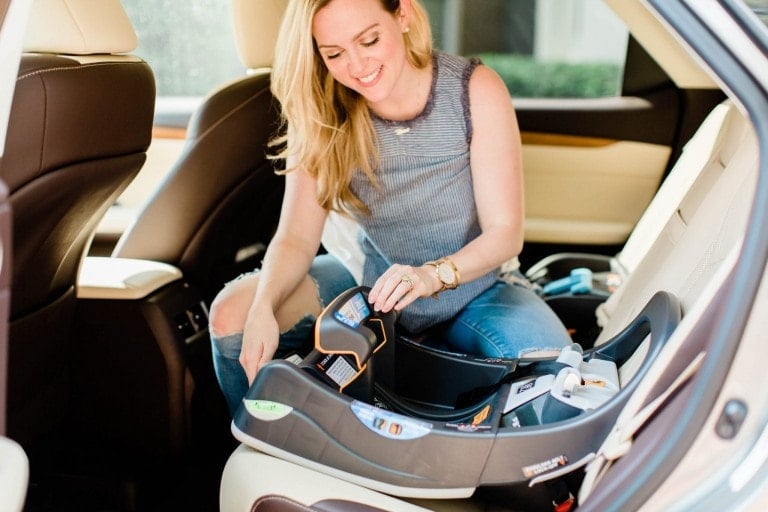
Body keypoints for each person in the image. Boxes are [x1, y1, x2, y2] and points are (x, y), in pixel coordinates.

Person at [209, 0, 572, 415]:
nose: (358, 65)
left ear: (403, 15)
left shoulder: (473, 88)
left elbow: (505, 234)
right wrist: (262, 309)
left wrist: (429, 276)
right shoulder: (321, 109)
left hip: (476, 286)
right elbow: (295, 237)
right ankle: (264, 449)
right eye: (334, 54)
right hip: (369, 282)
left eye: (369, 40)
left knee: (557, 373)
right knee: (232, 315)